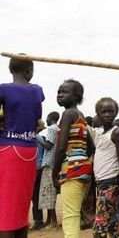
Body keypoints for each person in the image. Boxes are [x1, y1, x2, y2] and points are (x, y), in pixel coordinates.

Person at [0, 56, 45, 238]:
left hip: (8, 150)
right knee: (21, 200)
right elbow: (37, 120)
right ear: (29, 71)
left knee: (6, 201)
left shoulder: (3, 90)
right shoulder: (37, 91)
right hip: (29, 150)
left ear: (11, 70)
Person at [52, 79, 94, 238]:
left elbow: (61, 147)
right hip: (82, 169)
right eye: (59, 92)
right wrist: (82, 159)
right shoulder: (80, 116)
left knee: (70, 216)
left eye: (65, 92)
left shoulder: (68, 114)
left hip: (71, 169)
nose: (60, 95)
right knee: (74, 213)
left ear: (77, 97)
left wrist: (54, 173)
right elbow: (91, 146)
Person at [92, 97, 119, 238]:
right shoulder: (101, 134)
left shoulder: (116, 133)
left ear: (116, 113)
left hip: (111, 184)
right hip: (102, 184)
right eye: (103, 112)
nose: (107, 114)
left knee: (99, 229)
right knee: (113, 225)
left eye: (110, 111)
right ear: (98, 114)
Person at [38, 111, 61, 230]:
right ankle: (49, 220)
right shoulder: (57, 129)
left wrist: (35, 136)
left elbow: (48, 145)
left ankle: (54, 223)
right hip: (53, 163)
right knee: (48, 193)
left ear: (50, 118)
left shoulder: (52, 129)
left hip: (49, 164)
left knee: (48, 192)